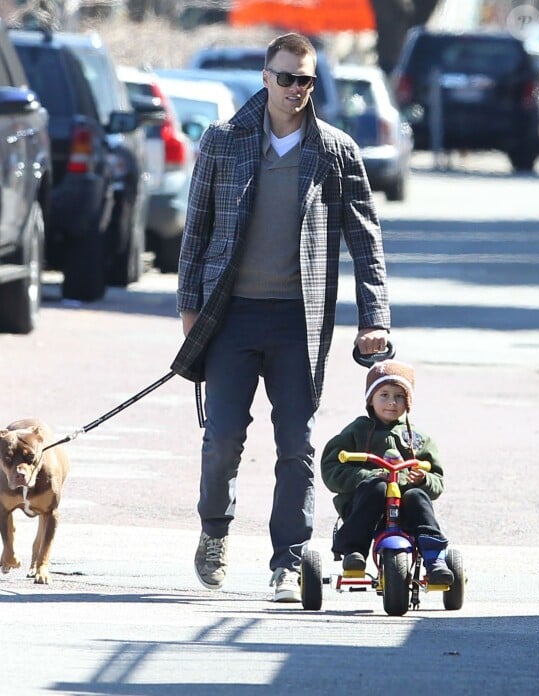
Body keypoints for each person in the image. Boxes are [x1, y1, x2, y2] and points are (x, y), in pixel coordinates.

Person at [171, 32, 390, 602]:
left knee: (297, 444)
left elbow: (365, 243)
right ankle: (214, 532)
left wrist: (375, 319)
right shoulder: (224, 141)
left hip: (299, 322)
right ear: (266, 77)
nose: (296, 89)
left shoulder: (336, 151)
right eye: (286, 77)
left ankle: (289, 560)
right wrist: (190, 312)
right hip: (231, 318)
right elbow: (195, 235)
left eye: (306, 80)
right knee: (222, 439)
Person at [320, 360, 454, 584]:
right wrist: (366, 476)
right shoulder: (356, 431)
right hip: (365, 505)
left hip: (405, 508)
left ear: (408, 401)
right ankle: (354, 552)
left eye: (399, 396)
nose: (392, 402)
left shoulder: (418, 438)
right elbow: (332, 466)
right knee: (377, 488)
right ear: (370, 399)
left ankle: (434, 558)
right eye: (384, 394)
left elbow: (437, 479)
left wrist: (423, 479)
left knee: (417, 496)